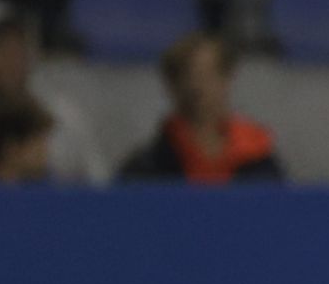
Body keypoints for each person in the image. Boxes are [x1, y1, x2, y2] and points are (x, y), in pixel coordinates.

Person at [0, 1, 106, 182]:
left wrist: (45, 165)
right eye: (0, 51)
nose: (12, 62)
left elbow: (96, 182)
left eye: (18, 50)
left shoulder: (58, 117)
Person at [120, 33, 285, 182]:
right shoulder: (148, 168)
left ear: (227, 78)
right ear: (171, 85)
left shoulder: (259, 160)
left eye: (206, 75)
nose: (196, 86)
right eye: (187, 76)